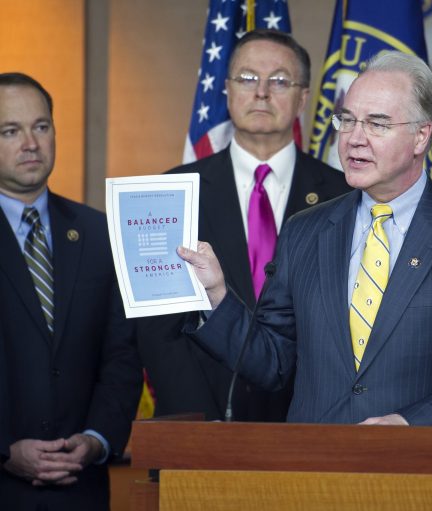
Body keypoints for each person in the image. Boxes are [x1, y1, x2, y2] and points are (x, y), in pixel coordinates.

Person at [178, 50, 432, 426]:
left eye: (377, 124)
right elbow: (273, 363)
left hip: (421, 475)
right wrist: (217, 294)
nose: (355, 139)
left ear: (421, 136)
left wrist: (409, 424)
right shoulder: (304, 230)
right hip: (312, 472)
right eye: (347, 120)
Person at [137, 29, 350, 422]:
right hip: (200, 423)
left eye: (280, 81)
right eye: (248, 79)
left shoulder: (345, 196)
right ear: (227, 90)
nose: (262, 93)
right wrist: (194, 412)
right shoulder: (170, 193)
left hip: (311, 422)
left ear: (303, 98)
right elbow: (156, 329)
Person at [0, 73, 142, 509]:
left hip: (81, 488)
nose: (30, 143)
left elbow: (123, 353)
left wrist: (97, 439)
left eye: (41, 127)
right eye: (10, 130)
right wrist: (5, 450)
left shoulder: (100, 233)